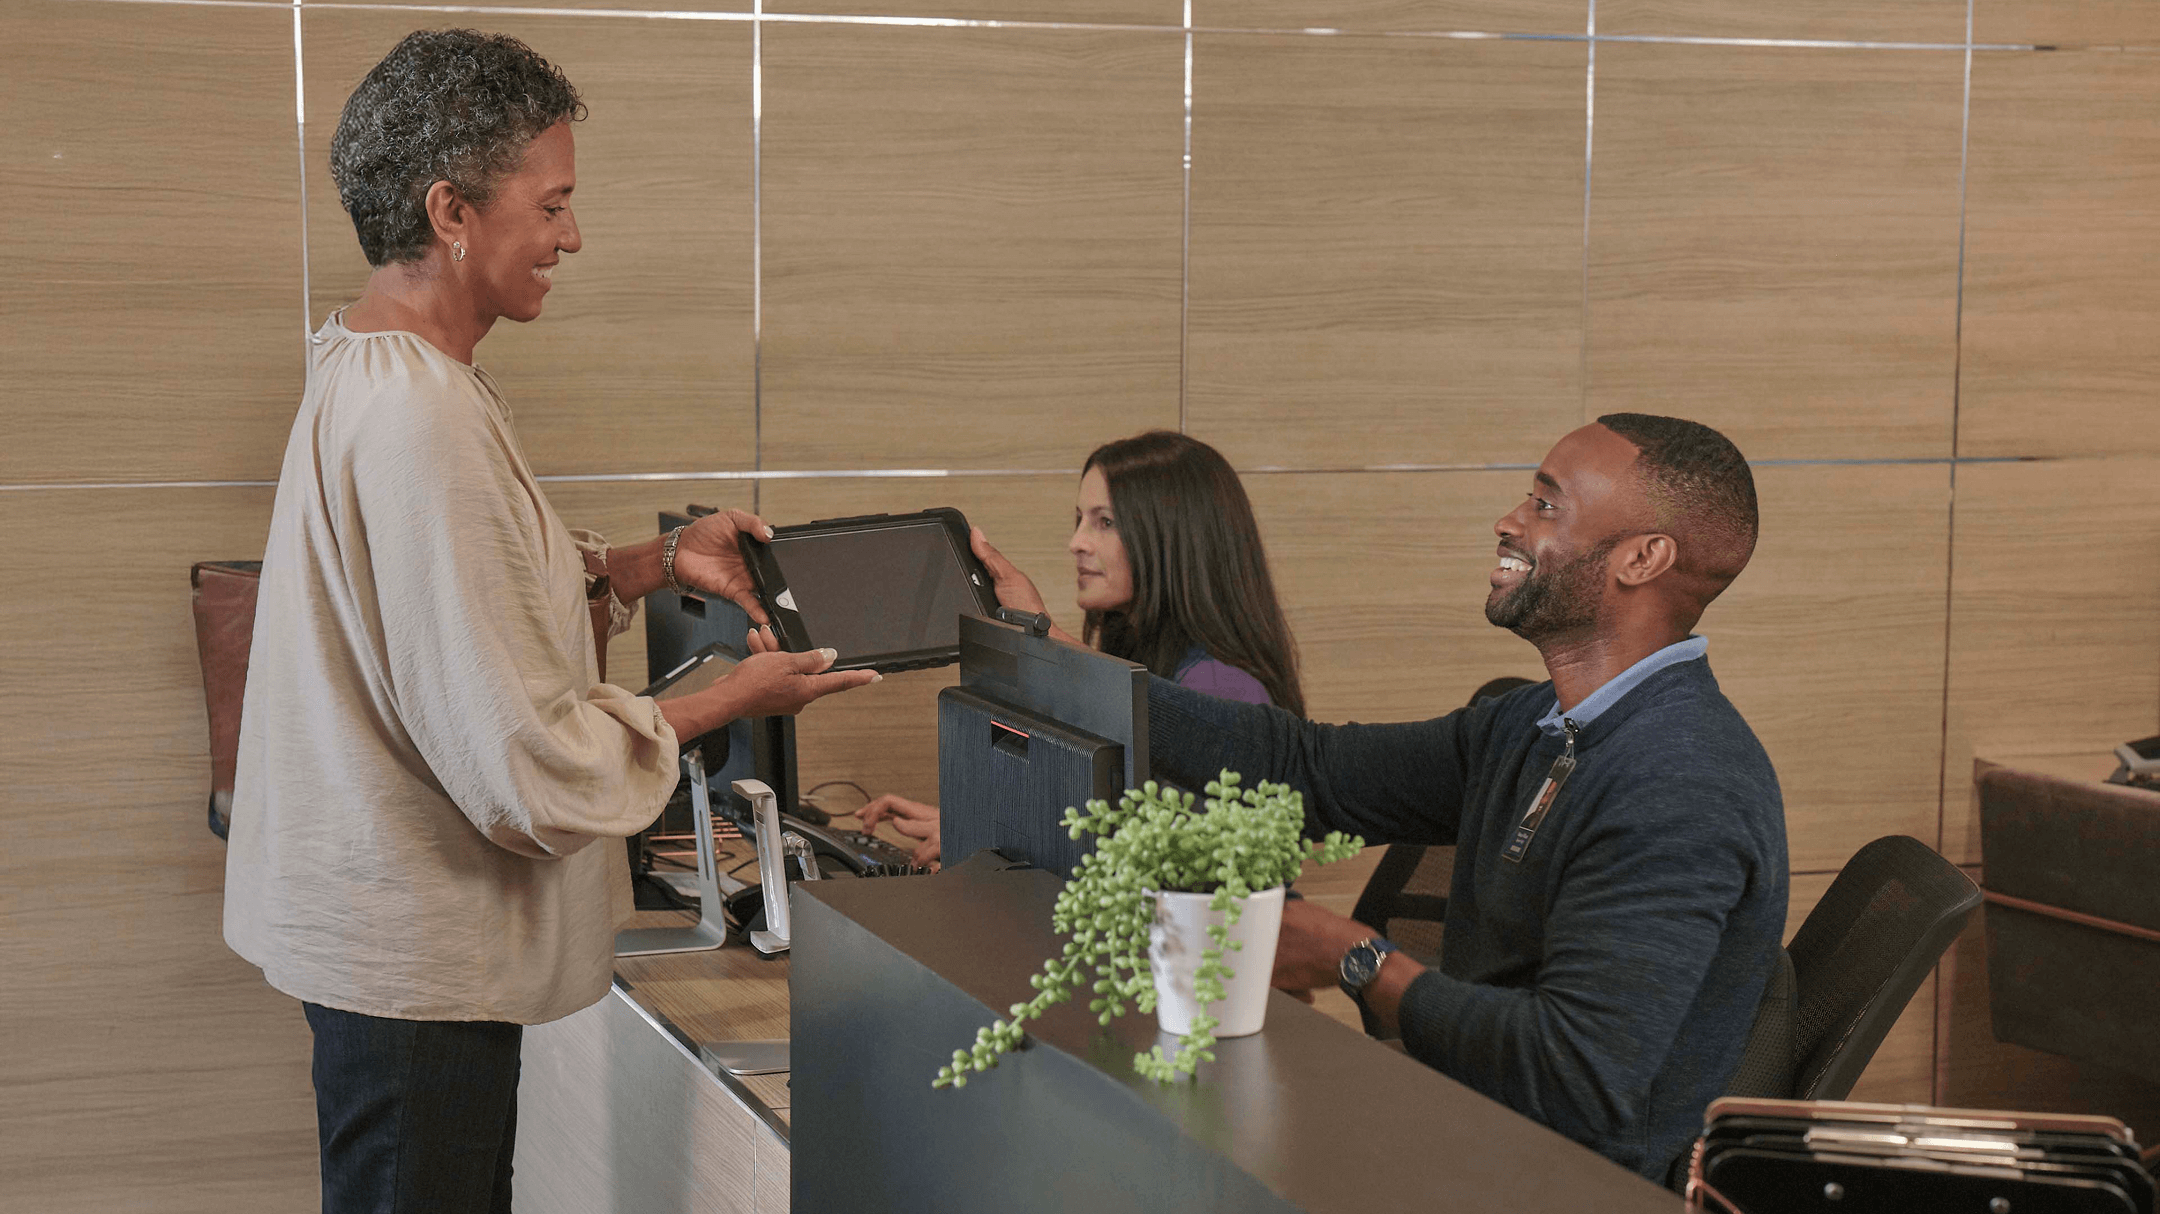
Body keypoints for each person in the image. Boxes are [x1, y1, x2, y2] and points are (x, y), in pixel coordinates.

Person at [221, 30, 874, 1214]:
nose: (572, 236)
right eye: (554, 203)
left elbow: (450, 608)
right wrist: (727, 695)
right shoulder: (423, 420)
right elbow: (521, 763)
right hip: (419, 973)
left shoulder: (375, 364)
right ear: (451, 211)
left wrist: (652, 561)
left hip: (398, 957)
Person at [997, 414, 1787, 1182]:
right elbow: (1302, 766)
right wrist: (1050, 651)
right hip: (1469, 1133)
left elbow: (1578, 1078)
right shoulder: (1531, 723)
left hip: (1565, 1188)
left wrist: (1354, 957)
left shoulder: (1683, 781)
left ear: (1643, 558)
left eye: (1545, 504)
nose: (1508, 521)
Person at [858, 430, 1304, 864]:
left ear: (1173, 539)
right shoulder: (1151, 659)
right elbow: (1118, 833)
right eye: (1080, 520)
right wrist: (970, 826)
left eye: (1105, 522)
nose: (1076, 543)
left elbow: (1164, 876)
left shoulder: (1217, 684)